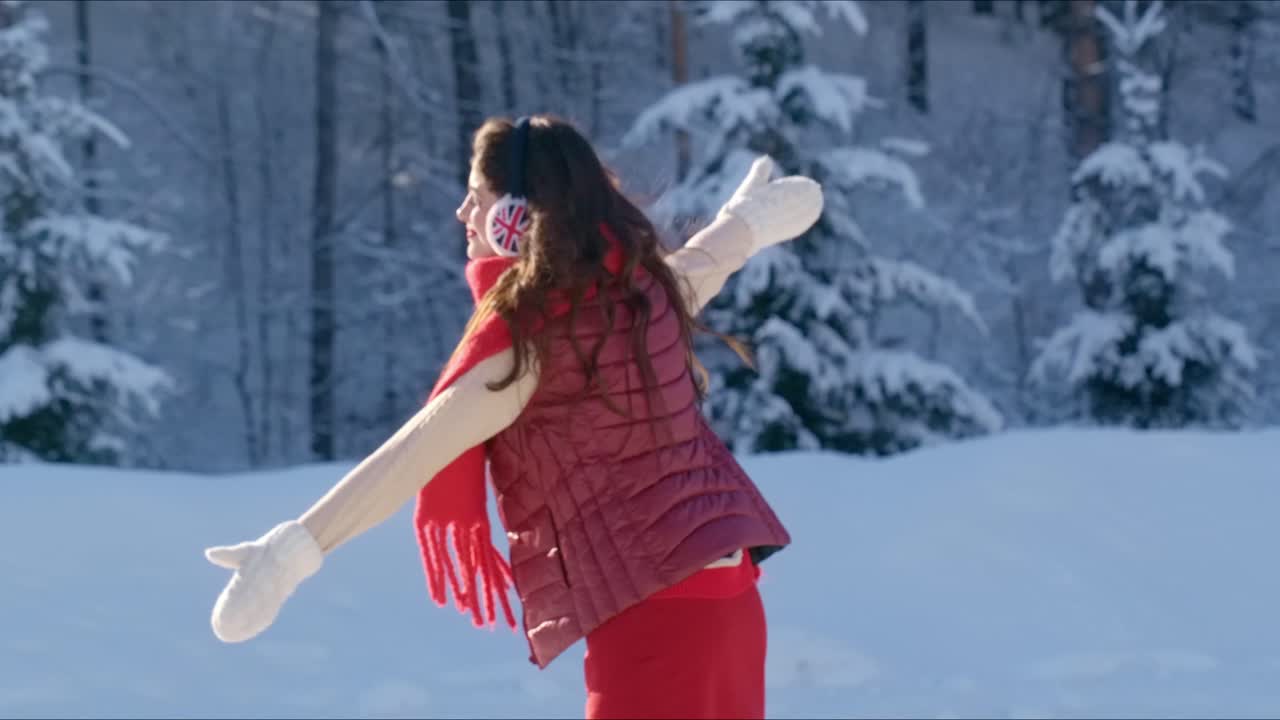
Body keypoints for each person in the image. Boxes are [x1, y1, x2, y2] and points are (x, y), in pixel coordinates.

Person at [204, 114, 823, 719]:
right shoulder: (641, 290)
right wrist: (745, 224)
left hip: (656, 622)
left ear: (515, 220)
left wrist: (289, 552)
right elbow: (700, 268)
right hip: (729, 603)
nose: (461, 215)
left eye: (477, 199)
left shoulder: (530, 346)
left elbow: (410, 456)